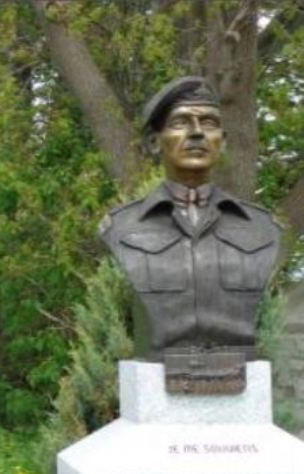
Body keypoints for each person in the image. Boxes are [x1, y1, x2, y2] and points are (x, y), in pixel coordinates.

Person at [100, 76, 282, 394]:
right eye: (181, 122)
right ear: (156, 142)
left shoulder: (264, 227)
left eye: (208, 122)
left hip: (235, 382)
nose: (197, 132)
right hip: (158, 376)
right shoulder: (120, 227)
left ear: (222, 141)